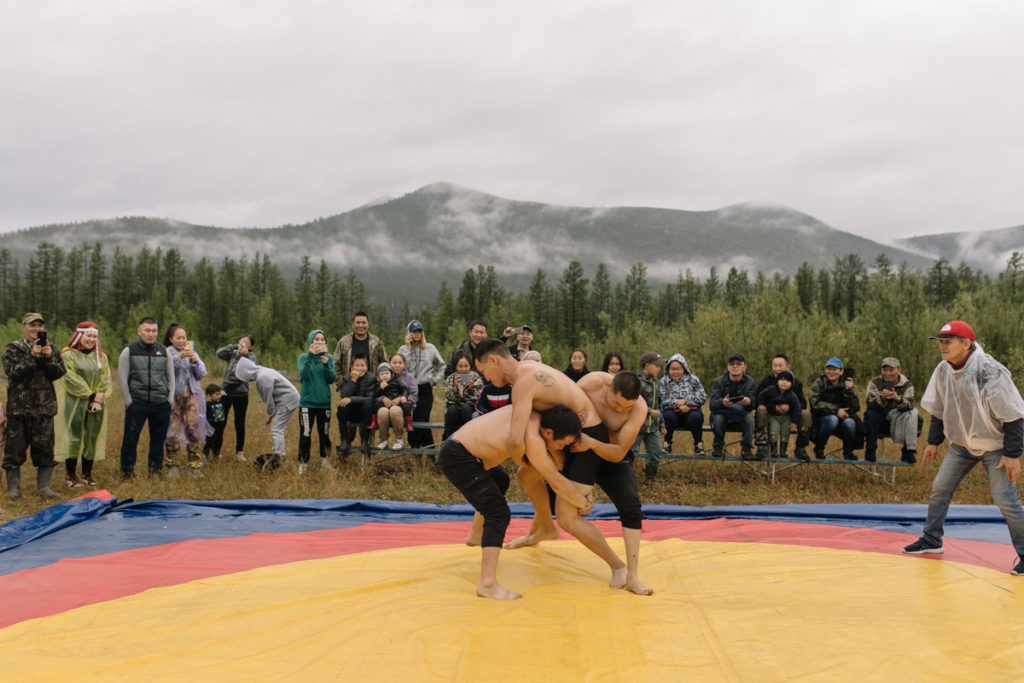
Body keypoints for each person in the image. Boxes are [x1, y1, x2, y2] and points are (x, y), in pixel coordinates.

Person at [475, 339, 652, 595]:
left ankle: (620, 566)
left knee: (571, 515)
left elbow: (515, 440)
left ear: (493, 361)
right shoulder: (589, 382)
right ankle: (544, 527)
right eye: (616, 403)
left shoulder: (524, 380)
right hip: (570, 435)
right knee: (527, 475)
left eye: (483, 371)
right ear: (609, 388)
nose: (486, 378)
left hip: (593, 442)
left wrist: (578, 484)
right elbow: (567, 402)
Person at [903, 321, 1024, 575]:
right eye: (941, 342)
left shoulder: (989, 371)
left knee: (1005, 500)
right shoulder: (944, 370)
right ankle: (931, 540)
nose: (943, 346)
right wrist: (933, 443)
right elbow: (939, 407)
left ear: (966, 343)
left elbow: (1013, 414)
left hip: (995, 446)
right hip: (962, 445)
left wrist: (1013, 455)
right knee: (940, 489)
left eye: (948, 341)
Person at [439, 404, 590, 600]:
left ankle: (476, 535)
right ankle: (487, 584)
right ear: (549, 433)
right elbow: (555, 480)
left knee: (500, 480)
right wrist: (582, 502)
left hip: (464, 452)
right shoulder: (532, 434)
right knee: (498, 513)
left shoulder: (533, 414)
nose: (561, 449)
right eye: (561, 444)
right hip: (459, 457)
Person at [3, 312, 67, 499]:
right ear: (23, 327)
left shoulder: (51, 348)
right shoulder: (13, 349)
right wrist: (31, 357)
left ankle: (44, 488)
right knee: (14, 451)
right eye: (32, 326)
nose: (36, 329)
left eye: (39, 326)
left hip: (44, 409)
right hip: (19, 409)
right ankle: (14, 489)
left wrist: (49, 359)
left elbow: (59, 373)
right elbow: (12, 372)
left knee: (45, 450)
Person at [56, 322, 111, 487]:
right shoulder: (68, 355)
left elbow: (105, 377)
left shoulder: (101, 357)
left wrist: (98, 398)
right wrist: (91, 394)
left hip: (97, 404)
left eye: (94, 336)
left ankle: (87, 474)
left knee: (92, 436)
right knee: (74, 436)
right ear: (80, 336)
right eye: (89, 335)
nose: (92, 339)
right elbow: (70, 378)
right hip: (75, 402)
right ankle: (70, 475)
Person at [118, 317, 174, 479]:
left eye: (154, 331)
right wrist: (129, 401)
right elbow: (122, 378)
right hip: (137, 403)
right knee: (130, 439)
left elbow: (171, 377)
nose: (151, 334)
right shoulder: (129, 351)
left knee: (158, 440)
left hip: (160, 403)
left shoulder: (164, 351)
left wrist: (169, 399)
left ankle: (155, 471)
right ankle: (127, 472)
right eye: (147, 330)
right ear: (139, 331)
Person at [164, 324, 212, 477]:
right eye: (178, 338)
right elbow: (167, 370)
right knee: (172, 430)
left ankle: (195, 466)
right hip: (174, 399)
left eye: (184, 337)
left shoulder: (193, 353)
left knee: (194, 430)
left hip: (192, 397)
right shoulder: (168, 353)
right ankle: (172, 465)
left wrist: (194, 361)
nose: (181, 340)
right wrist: (179, 358)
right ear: (171, 339)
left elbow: (201, 373)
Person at [233, 357, 300, 466]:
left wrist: (273, 416)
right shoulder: (263, 371)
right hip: (289, 398)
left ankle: (279, 456)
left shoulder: (262, 378)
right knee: (278, 427)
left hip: (287, 400)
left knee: (277, 428)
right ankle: (278, 453)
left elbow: (269, 400)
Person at [335, 311, 387, 443]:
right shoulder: (344, 341)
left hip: (370, 387)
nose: (361, 325)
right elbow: (336, 363)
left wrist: (380, 383)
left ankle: (367, 449)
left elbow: (384, 363)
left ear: (368, 324)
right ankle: (345, 447)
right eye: (358, 322)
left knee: (368, 418)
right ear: (353, 324)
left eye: (364, 322)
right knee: (348, 422)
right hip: (350, 385)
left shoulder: (376, 342)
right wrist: (341, 383)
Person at [399, 320, 446, 448]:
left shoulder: (430, 348)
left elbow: (442, 366)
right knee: (411, 421)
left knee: (421, 420)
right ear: (409, 333)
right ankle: (420, 451)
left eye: (419, 331)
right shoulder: (403, 349)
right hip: (407, 388)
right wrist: (408, 348)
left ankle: (424, 450)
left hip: (425, 388)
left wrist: (434, 380)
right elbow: (400, 368)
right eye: (414, 331)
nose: (417, 334)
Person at [754, 354, 811, 461]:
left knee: (806, 414)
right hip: (770, 416)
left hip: (790, 416)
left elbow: (803, 404)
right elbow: (757, 400)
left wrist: (789, 408)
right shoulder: (766, 382)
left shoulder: (795, 383)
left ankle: (800, 448)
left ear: (788, 367)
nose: (777, 369)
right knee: (760, 412)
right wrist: (774, 408)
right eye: (774, 366)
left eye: (780, 366)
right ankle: (761, 446)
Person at [864, 357, 919, 463]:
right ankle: (870, 450)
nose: (888, 373)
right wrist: (882, 398)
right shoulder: (875, 382)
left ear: (899, 370)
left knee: (913, 413)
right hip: (878, 419)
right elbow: (869, 403)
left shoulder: (907, 384)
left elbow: (909, 405)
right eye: (885, 370)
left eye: (891, 370)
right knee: (871, 414)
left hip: (896, 417)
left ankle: (909, 451)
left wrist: (898, 399)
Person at [297, 329, 337, 474]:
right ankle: (303, 464)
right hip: (307, 403)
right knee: (305, 434)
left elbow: (331, 379)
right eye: (316, 339)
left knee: (324, 434)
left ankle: (325, 462)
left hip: (324, 403)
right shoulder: (303, 357)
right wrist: (310, 356)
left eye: (322, 339)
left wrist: (327, 364)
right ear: (310, 341)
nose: (320, 342)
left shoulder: (329, 358)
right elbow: (304, 376)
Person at [809, 357, 861, 460]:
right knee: (833, 419)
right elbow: (814, 403)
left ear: (841, 371)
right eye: (829, 369)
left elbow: (856, 407)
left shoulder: (847, 384)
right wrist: (836, 411)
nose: (831, 372)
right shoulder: (819, 383)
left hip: (842, 419)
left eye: (835, 369)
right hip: (822, 419)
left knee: (850, 422)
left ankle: (848, 452)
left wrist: (849, 390)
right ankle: (819, 449)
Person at [216, 334, 256, 462]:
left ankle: (239, 452)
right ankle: (217, 450)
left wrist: (244, 355)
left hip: (241, 394)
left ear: (251, 346)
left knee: (239, 423)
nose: (242, 344)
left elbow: (251, 367)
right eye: (241, 341)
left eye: (246, 342)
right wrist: (233, 346)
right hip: (224, 392)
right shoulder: (232, 352)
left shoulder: (251, 356)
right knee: (220, 421)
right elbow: (219, 353)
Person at [708, 353, 756, 459]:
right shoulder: (718, 381)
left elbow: (753, 404)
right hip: (723, 414)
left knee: (750, 418)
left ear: (744, 367)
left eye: (738, 364)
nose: (735, 366)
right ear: (728, 367)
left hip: (741, 415)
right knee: (718, 418)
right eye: (732, 364)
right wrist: (723, 402)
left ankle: (746, 449)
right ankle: (718, 447)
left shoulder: (750, 382)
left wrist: (748, 402)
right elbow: (712, 404)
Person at [658, 353, 706, 454]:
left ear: (684, 368)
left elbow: (702, 397)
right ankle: (667, 444)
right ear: (668, 369)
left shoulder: (693, 380)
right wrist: (678, 403)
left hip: (691, 412)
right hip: (672, 414)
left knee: (696, 417)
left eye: (678, 369)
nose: (675, 372)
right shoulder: (663, 382)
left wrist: (686, 403)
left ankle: (698, 444)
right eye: (672, 369)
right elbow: (661, 401)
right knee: (667, 416)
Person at [336, 353, 376, 456]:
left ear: (366, 366)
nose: (360, 368)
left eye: (363, 365)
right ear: (351, 367)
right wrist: (353, 380)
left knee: (368, 403)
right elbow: (344, 396)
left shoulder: (371, 378)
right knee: (342, 406)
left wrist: (351, 399)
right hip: (351, 413)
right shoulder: (346, 378)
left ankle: (364, 442)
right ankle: (344, 440)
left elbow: (370, 398)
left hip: (365, 413)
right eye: (357, 365)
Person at [635, 352, 666, 480]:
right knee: (627, 453)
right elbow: (632, 402)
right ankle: (624, 478)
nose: (659, 369)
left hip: (652, 427)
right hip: (637, 426)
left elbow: (659, 404)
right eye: (657, 366)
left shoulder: (657, 382)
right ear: (647, 365)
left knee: (655, 453)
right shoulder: (636, 382)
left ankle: (650, 479)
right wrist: (648, 411)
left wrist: (662, 423)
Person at [443, 351, 483, 439]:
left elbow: (478, 398)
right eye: (460, 366)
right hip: (454, 409)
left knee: (465, 407)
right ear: (456, 367)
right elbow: (449, 399)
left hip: (469, 408)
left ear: (470, 366)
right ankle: (449, 439)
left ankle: (468, 438)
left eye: (466, 366)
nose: (463, 369)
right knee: (452, 409)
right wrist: (455, 388)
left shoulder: (475, 377)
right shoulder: (451, 378)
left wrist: (471, 388)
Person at [374, 360, 412, 450]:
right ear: (379, 376)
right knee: (382, 412)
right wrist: (380, 390)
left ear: (391, 374)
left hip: (397, 407)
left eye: (387, 373)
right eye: (382, 374)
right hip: (384, 407)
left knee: (394, 410)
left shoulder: (397, 381)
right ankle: (383, 439)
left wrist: (402, 397)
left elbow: (405, 389)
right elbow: (374, 395)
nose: (384, 376)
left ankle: (399, 439)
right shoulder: (378, 384)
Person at [203, 384, 227, 460]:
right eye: (216, 395)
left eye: (219, 394)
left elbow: (225, 394)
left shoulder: (221, 402)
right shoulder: (208, 405)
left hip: (220, 426)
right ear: (209, 396)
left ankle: (216, 455)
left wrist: (221, 393)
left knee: (219, 441)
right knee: (209, 441)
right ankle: (205, 456)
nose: (219, 396)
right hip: (211, 426)